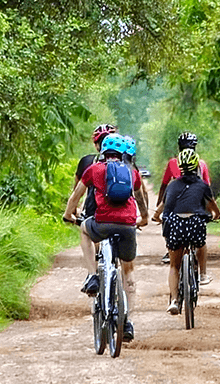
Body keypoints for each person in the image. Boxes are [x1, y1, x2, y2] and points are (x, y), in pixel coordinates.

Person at [63, 133, 142, 341]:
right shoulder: (131, 172)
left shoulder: (94, 170)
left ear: (103, 151)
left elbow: (76, 196)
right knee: (128, 272)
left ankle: (92, 276)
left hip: (102, 222)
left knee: (84, 230)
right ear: (122, 153)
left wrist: (69, 215)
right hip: (128, 226)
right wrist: (142, 219)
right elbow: (139, 197)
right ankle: (127, 322)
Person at [158, 148, 220, 316]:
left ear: (180, 167)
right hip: (195, 223)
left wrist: (157, 216)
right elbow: (213, 205)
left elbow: (163, 207)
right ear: (196, 167)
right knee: (201, 244)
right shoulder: (202, 185)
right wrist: (217, 215)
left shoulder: (172, 185)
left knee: (174, 266)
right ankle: (202, 274)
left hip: (175, 224)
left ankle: (174, 300)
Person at [157, 131, 213, 271]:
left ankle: (170, 250)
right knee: (200, 233)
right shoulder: (201, 164)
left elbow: (164, 185)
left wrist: (160, 202)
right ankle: (202, 271)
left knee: (167, 222)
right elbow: (207, 186)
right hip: (197, 203)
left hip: (175, 204)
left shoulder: (172, 163)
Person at [122, 135, 150, 228]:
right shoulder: (134, 172)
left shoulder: (102, 168)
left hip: (103, 219)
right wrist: (144, 217)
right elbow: (140, 196)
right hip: (128, 218)